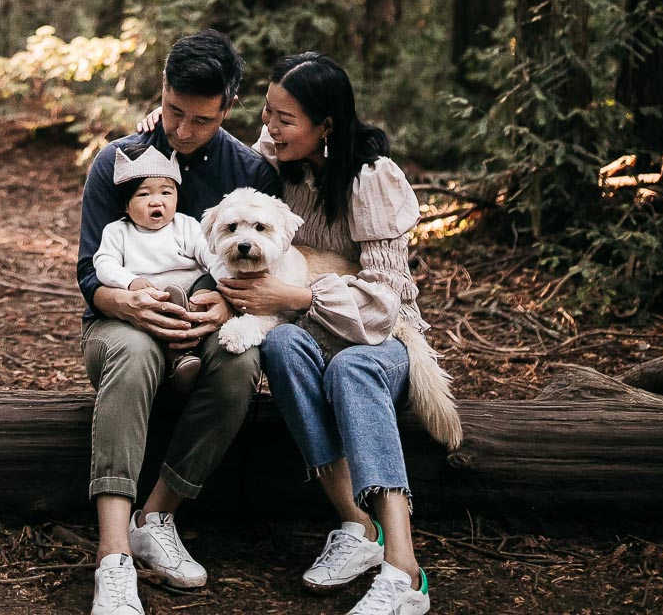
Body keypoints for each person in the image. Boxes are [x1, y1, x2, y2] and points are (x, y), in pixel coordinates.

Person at [219, 52, 431, 615]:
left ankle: (403, 567)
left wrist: (297, 296)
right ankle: (356, 528)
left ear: (326, 126)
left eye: (285, 119)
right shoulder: (274, 161)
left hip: (380, 340)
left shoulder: (371, 178)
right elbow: (211, 161)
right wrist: (154, 132)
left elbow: (386, 302)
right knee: (282, 344)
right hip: (306, 331)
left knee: (351, 366)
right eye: (266, 112)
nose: (269, 127)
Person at [77, 30, 279, 615]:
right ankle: (113, 560)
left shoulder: (250, 171)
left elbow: (262, 260)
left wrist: (227, 301)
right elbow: (91, 275)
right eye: (172, 112)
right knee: (136, 352)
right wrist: (129, 303)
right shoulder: (118, 160)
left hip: (205, 324)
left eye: (201, 120)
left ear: (229, 108)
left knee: (241, 360)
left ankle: (157, 516)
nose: (183, 131)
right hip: (120, 323)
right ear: (160, 90)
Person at [92, 142, 214, 393]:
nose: (156, 202)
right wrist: (130, 282)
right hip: (151, 299)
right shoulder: (119, 232)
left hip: (192, 298)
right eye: (144, 194)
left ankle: (187, 352)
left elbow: (208, 254)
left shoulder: (186, 226)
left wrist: (220, 275)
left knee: (206, 281)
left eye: (166, 193)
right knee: (163, 307)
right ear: (125, 205)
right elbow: (103, 264)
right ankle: (179, 360)